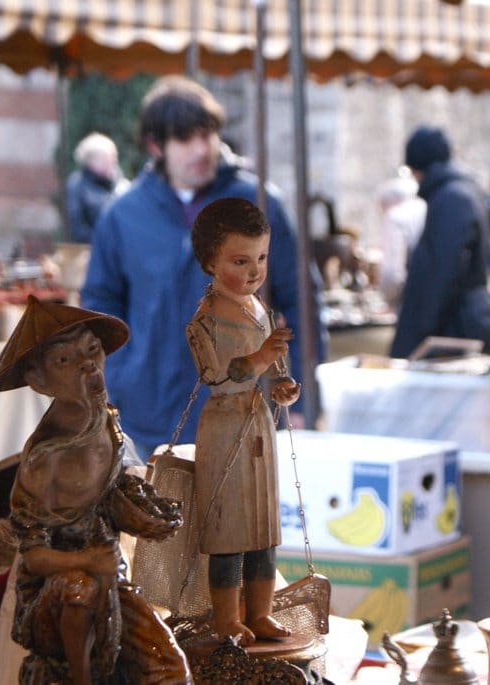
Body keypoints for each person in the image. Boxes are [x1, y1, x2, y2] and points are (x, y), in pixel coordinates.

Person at [81, 76, 323, 459]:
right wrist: (121, 376)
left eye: (207, 134)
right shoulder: (123, 215)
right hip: (149, 417)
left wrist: (304, 396)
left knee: (246, 518)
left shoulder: (259, 203)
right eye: (186, 138)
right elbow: (99, 308)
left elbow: (301, 301)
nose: (202, 148)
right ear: (155, 145)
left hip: (245, 412)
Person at [0, 295, 191, 684]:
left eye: (92, 350)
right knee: (79, 593)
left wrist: (134, 508)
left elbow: (108, 496)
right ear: (38, 379)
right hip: (58, 597)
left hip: (112, 578)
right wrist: (90, 561)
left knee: (167, 668)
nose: (88, 365)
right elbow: (34, 555)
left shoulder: (105, 422)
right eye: (65, 360)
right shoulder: (46, 461)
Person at [184, 198, 298, 645]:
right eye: (240, 260)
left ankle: (261, 612)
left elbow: (274, 370)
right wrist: (259, 357)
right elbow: (215, 374)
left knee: (263, 530)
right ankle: (227, 618)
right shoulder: (206, 320)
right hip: (224, 426)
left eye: (261, 258)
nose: (254, 271)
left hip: (258, 425)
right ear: (211, 262)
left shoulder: (260, 309)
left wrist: (283, 387)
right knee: (229, 529)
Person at [389, 125, 490, 358]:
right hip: (460, 323)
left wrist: (413, 340)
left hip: (452, 328)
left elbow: (439, 273)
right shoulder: (464, 192)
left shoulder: (451, 199)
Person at [375, 171, 426, 310]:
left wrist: (387, 300)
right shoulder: (428, 207)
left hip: (410, 299)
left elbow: (393, 273)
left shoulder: (395, 217)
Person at [65, 133, 127, 244]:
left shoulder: (123, 185)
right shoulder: (78, 185)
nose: (113, 163)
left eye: (114, 157)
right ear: (92, 162)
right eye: (107, 159)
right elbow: (77, 228)